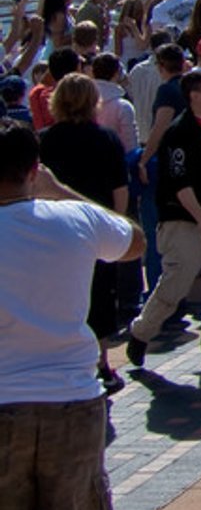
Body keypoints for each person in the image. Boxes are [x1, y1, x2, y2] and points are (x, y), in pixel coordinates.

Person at [0, 120, 142, 510]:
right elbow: (134, 243)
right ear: (33, 169)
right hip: (72, 402)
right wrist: (59, 191)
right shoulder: (74, 217)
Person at [124, 71, 201, 377]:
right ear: (194, 94)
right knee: (175, 286)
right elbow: (180, 182)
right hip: (187, 219)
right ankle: (141, 331)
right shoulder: (180, 131)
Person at [38, 76, 132, 395]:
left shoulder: (44, 140)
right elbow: (120, 189)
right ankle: (101, 361)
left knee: (59, 294)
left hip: (54, 229)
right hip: (97, 227)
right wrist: (119, 224)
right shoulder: (106, 139)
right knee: (101, 296)